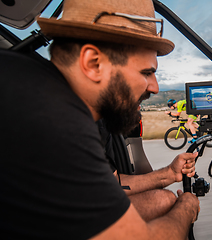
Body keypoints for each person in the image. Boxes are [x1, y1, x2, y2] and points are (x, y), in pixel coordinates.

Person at [0, 0, 200, 239]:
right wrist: (188, 207)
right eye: (146, 72)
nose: (155, 88)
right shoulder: (47, 115)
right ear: (93, 64)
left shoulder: (62, 101)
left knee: (163, 199)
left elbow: (112, 182)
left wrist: (168, 173)